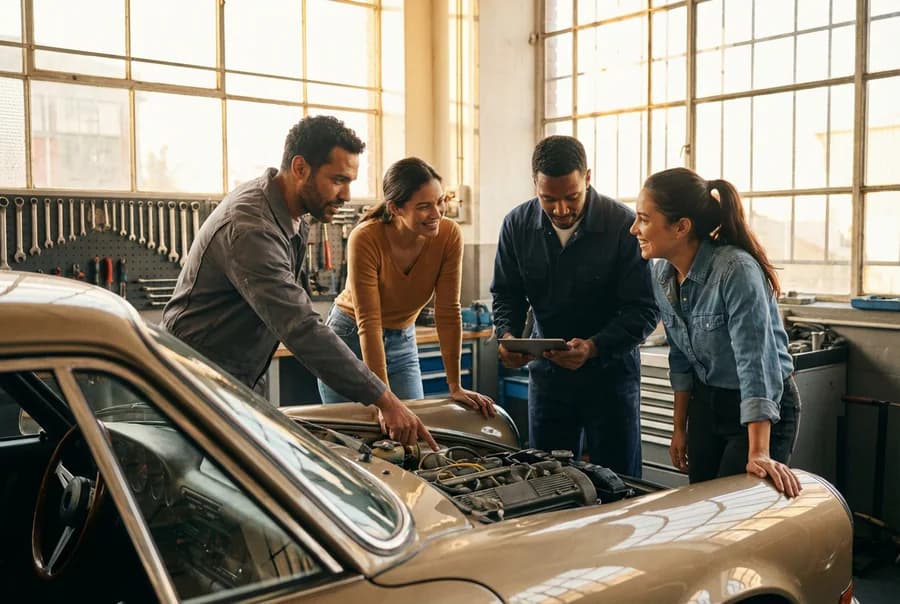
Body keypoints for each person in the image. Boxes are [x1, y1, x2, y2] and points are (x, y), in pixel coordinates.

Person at [162, 115, 437, 449]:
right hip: (195, 379)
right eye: (338, 180)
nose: (347, 195)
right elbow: (300, 327)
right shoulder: (251, 227)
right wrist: (385, 399)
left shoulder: (292, 217)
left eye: (350, 181)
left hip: (240, 375)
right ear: (301, 168)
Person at [491, 135, 659, 476]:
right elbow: (507, 294)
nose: (561, 210)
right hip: (549, 382)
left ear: (588, 177)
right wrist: (507, 336)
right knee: (548, 480)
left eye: (572, 197)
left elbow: (644, 309)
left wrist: (595, 347)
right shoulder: (517, 225)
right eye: (548, 199)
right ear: (534, 184)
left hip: (611, 379)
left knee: (619, 485)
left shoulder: (622, 225)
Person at [629, 167, 801, 497]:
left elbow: (757, 365)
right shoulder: (662, 274)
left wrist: (759, 452)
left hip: (761, 407)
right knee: (702, 505)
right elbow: (680, 356)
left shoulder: (735, 270)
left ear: (681, 227)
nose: (633, 228)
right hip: (708, 401)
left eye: (643, 219)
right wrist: (680, 428)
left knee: (737, 511)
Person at [317, 157, 495, 418]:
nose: (436, 213)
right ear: (396, 208)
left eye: (440, 201)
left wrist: (455, 386)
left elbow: (448, 310)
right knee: (354, 439)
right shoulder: (365, 237)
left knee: (412, 436)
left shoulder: (449, 235)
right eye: (424, 206)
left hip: (402, 339)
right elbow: (369, 322)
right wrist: (384, 402)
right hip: (349, 339)